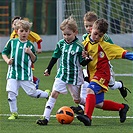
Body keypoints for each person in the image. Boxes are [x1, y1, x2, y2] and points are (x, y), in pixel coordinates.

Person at [70, 11, 131, 115]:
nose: (97, 37)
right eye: (87, 26)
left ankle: (87, 116)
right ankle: (122, 108)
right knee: (97, 103)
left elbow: (121, 52)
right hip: (92, 73)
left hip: (103, 71)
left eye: (100, 35)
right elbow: (81, 59)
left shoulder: (105, 43)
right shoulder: (84, 42)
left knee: (91, 89)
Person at [36, 16, 92, 126]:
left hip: (75, 76)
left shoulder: (80, 46)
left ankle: (90, 105)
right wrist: (48, 69)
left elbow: (82, 63)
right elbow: (55, 56)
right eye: (64, 34)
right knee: (54, 94)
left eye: (68, 34)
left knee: (77, 100)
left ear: (75, 32)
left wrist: (88, 59)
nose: (66, 37)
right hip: (62, 74)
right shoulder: (61, 43)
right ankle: (45, 118)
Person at [2, 20, 50, 120]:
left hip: (25, 74)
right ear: (16, 31)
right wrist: (7, 60)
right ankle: (14, 113)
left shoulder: (30, 45)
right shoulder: (12, 42)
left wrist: (30, 53)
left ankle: (46, 94)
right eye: (22, 31)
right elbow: (4, 53)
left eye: (26, 31)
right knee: (11, 92)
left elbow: (34, 59)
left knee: (31, 93)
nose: (24, 33)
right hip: (13, 73)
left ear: (29, 32)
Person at [10, 16, 42, 89]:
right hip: (18, 57)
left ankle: (33, 81)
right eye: (15, 24)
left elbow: (38, 38)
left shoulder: (26, 31)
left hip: (27, 54)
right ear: (12, 26)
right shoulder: (13, 35)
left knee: (27, 69)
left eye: (18, 23)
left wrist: (39, 48)